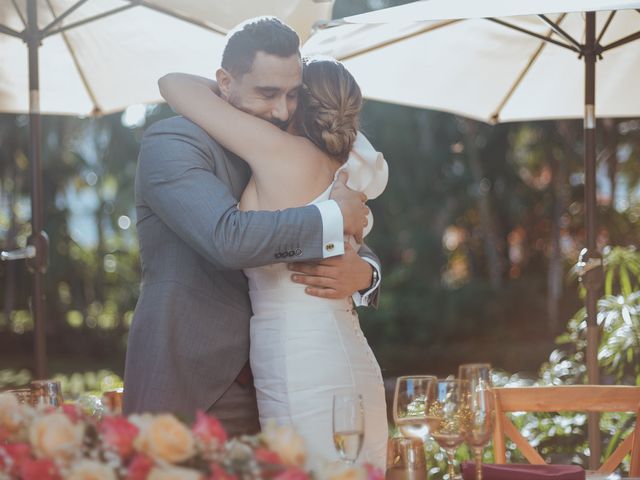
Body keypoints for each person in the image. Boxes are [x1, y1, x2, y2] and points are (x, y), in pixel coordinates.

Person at [123, 16, 383, 448]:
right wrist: (332, 219)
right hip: (195, 386)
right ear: (224, 82)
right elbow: (227, 238)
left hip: (287, 374)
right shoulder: (172, 143)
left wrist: (366, 275)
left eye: (292, 94)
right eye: (266, 93)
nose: (282, 110)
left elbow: (355, 238)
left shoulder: (293, 146)